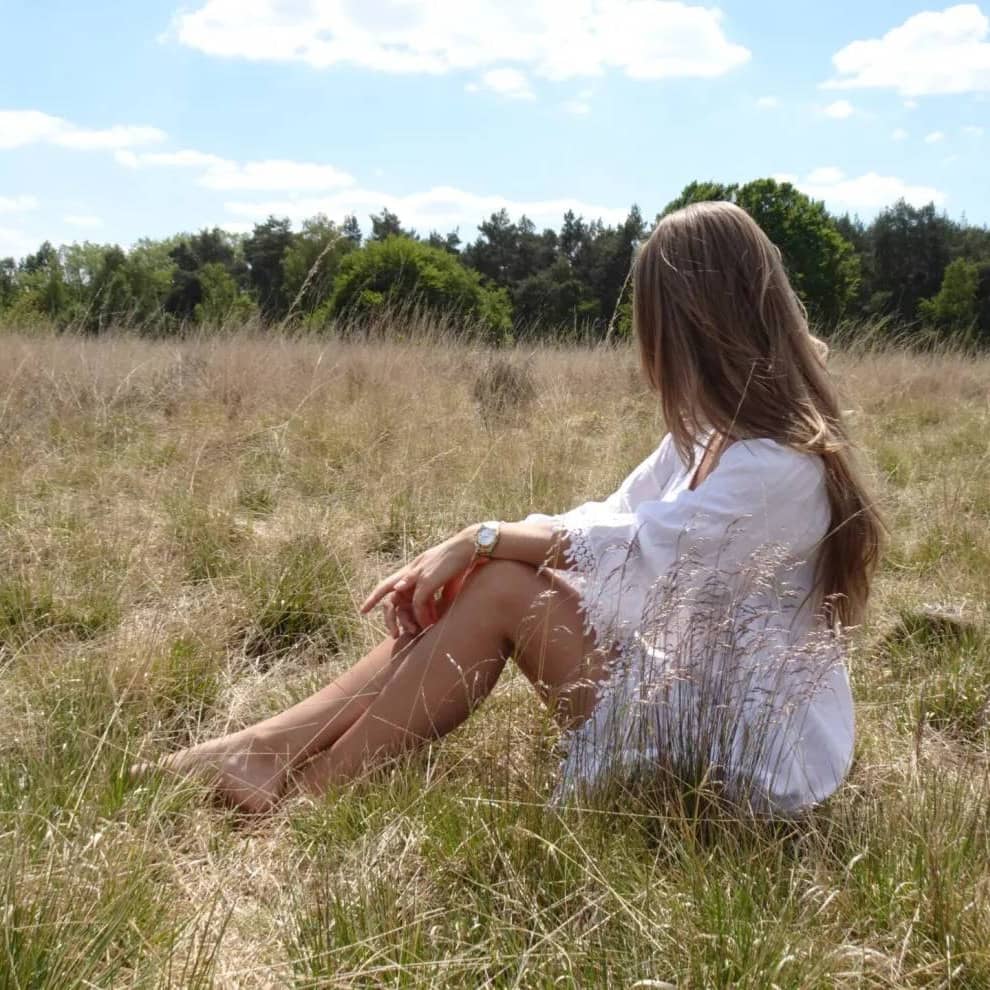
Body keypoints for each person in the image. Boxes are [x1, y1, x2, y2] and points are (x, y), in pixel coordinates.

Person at [140, 202, 882, 816]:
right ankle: (260, 753)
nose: (645, 347)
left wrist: (483, 538)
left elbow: (636, 546)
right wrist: (485, 544)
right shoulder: (715, 436)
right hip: (691, 696)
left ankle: (307, 797)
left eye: (653, 323)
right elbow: (608, 515)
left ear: (695, 327)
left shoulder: (774, 466)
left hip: (743, 756)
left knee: (500, 580)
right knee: (494, 572)